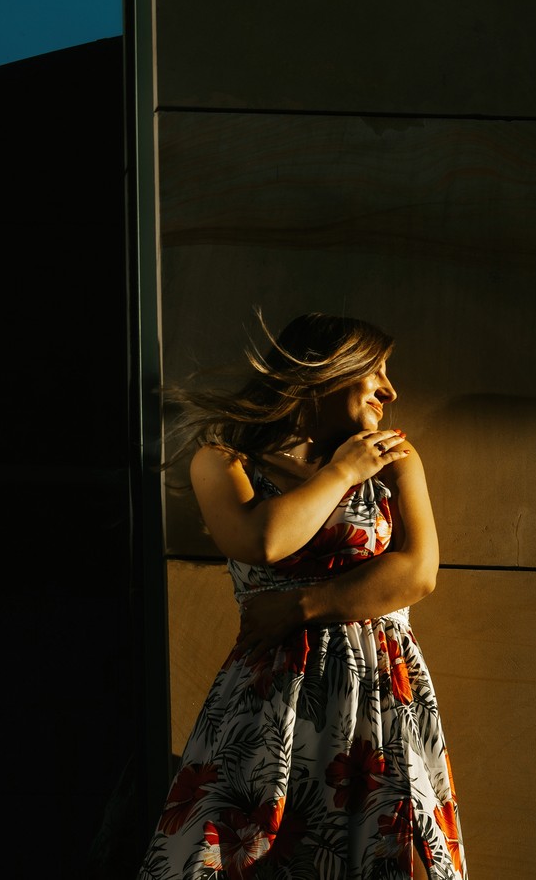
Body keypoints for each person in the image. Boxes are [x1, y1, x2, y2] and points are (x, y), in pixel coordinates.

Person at [137, 313, 465, 880]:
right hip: (270, 697)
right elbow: (262, 540)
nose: (390, 390)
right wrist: (341, 473)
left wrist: (298, 607)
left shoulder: (395, 460)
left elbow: (417, 573)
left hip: (376, 694)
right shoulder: (224, 460)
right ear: (325, 372)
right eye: (375, 371)